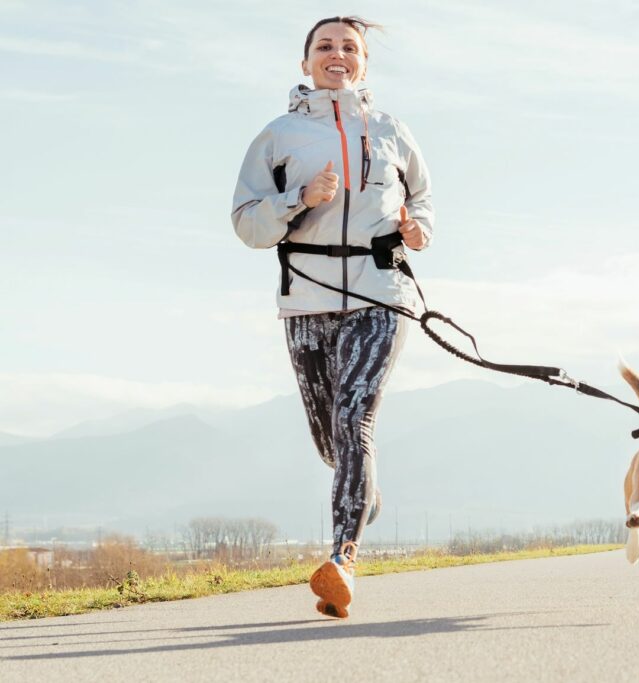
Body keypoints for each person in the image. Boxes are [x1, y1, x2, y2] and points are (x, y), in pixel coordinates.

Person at [231, 15, 434, 619]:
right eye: (325, 46)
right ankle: (359, 485)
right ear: (305, 63)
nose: (337, 55)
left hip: (380, 295)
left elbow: (422, 198)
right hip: (307, 300)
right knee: (332, 438)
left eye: (350, 47)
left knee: (354, 417)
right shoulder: (278, 135)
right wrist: (299, 199)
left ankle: (343, 560)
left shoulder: (394, 130)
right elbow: (246, 223)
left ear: (364, 63)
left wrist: (419, 230)